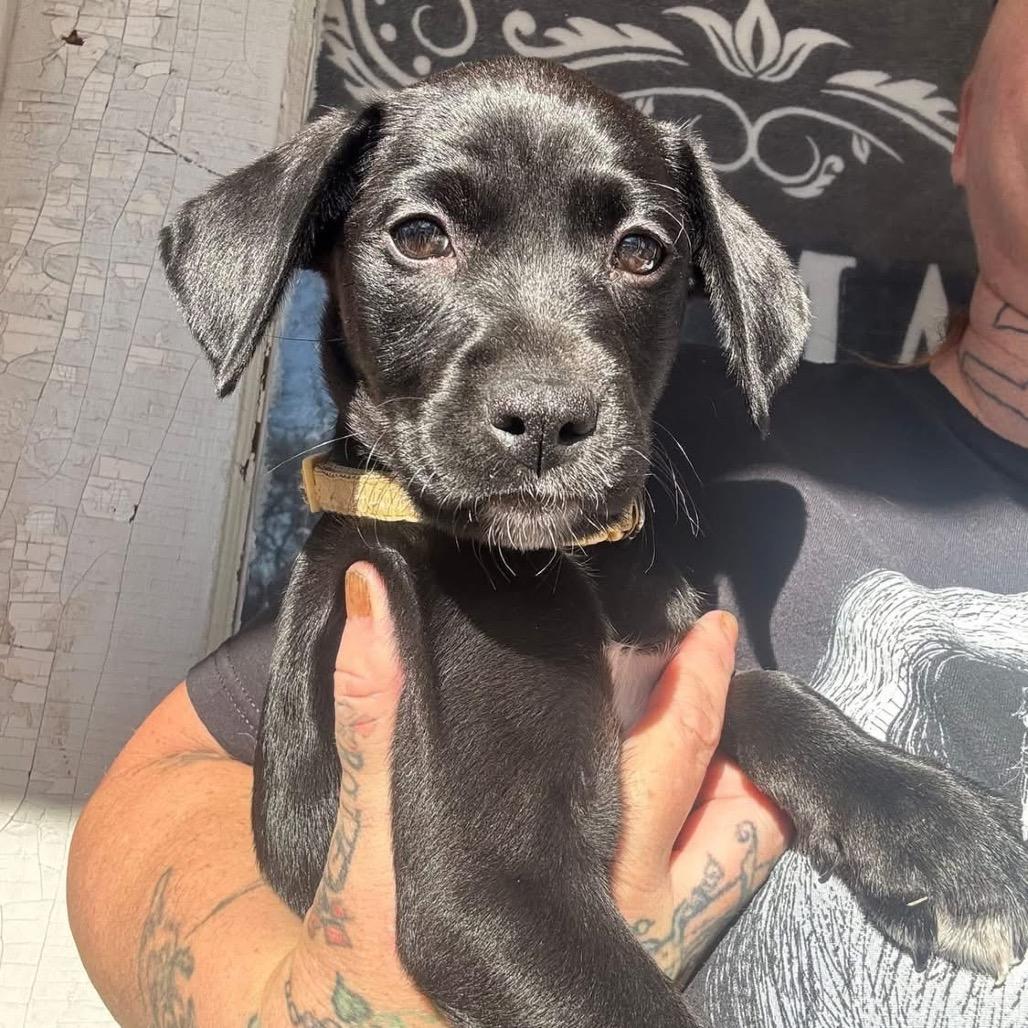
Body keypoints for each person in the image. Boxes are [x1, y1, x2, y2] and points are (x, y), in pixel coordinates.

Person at [69, 1, 1027, 1026]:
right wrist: (291, 1001)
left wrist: (785, 729)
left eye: (635, 249)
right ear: (965, 121)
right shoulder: (398, 561)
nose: (546, 386)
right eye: (421, 233)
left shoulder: (670, 476)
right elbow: (207, 798)